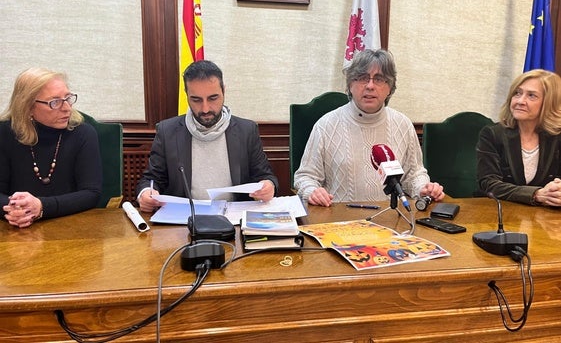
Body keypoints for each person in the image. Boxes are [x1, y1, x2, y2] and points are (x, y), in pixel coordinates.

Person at [293, 49, 445, 207]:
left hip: (391, 221)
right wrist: (312, 191)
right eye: (363, 78)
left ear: (389, 88)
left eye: (379, 79)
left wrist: (423, 189)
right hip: (340, 222)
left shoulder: (403, 124)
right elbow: (305, 177)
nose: (370, 86)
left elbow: (414, 176)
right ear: (350, 85)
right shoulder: (326, 125)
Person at [136, 60, 279, 213]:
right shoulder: (167, 131)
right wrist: (145, 193)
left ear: (224, 91)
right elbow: (151, 179)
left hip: (233, 219)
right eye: (196, 100)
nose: (205, 109)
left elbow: (265, 176)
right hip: (183, 221)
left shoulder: (246, 130)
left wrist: (268, 186)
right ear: (187, 95)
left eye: (213, 98)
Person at [0, 68, 102, 228]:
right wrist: (15, 209)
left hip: (72, 228)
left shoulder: (83, 133)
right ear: (27, 107)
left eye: (68, 98)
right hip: (17, 230)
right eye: (55, 102)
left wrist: (41, 207)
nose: (67, 108)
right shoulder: (4, 133)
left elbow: (91, 193)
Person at [477, 69, 561, 206]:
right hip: (500, 213)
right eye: (517, 93)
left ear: (549, 102)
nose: (520, 101)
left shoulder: (557, 136)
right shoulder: (492, 134)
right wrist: (536, 194)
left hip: (546, 217)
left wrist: (557, 191)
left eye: (532, 96)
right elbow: (489, 184)